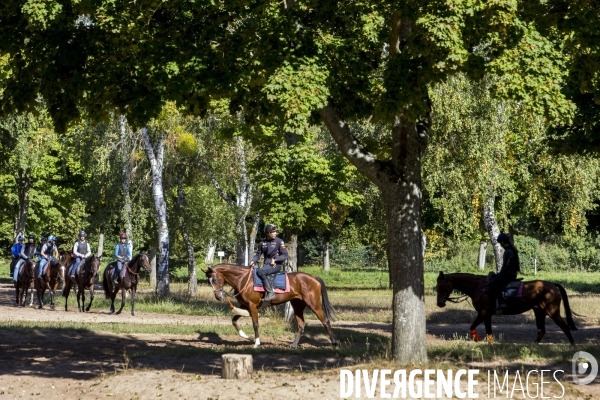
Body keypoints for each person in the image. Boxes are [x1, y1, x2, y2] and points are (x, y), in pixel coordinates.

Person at [249, 224, 288, 302]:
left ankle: (270, 292)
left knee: (260, 271)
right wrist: (253, 261)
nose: (275, 233)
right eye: (273, 232)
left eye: (275, 232)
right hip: (266, 266)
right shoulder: (262, 243)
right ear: (268, 233)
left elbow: (285, 255)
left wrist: (275, 259)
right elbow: (258, 255)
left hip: (276, 266)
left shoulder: (279, 241)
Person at [489, 233, 520, 311]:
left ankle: (503, 302)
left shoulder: (508, 251)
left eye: (500, 243)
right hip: (511, 273)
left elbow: (504, 267)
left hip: (508, 274)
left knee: (492, 284)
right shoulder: (511, 249)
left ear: (502, 242)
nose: (500, 245)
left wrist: (498, 275)